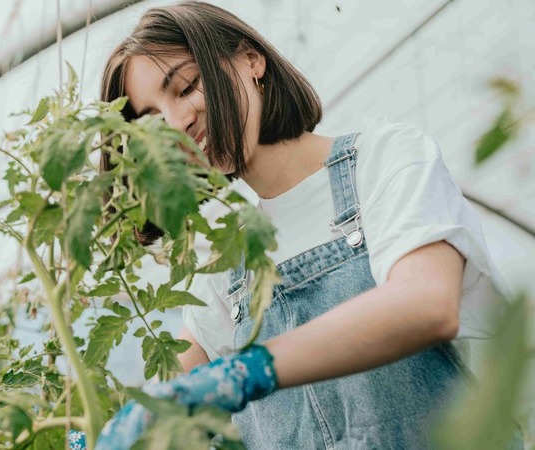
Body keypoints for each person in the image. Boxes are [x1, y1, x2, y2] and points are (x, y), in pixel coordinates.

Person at [89, 1, 521, 449]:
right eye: (154, 123)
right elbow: (169, 401)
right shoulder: (226, 254)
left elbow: (425, 305)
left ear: (251, 59)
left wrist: (249, 371)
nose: (179, 123)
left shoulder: (384, 159)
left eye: (188, 86)